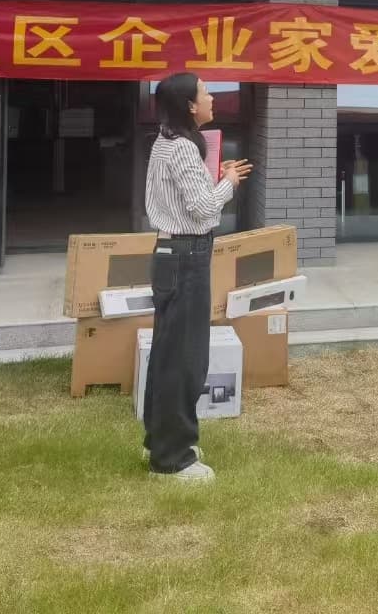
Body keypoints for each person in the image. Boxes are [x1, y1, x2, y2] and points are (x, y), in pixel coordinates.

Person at [142, 73, 253, 481]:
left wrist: (216, 179)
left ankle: (162, 442)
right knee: (185, 359)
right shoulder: (183, 148)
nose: (211, 98)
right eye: (205, 92)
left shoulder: (168, 141)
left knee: (168, 354)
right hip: (186, 257)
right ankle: (174, 458)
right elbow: (204, 209)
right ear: (190, 105)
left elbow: (186, 196)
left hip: (172, 255)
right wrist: (229, 184)